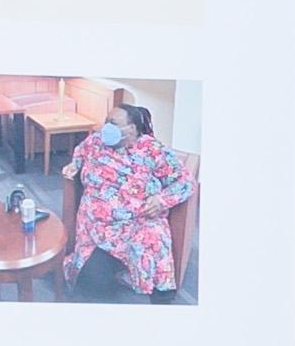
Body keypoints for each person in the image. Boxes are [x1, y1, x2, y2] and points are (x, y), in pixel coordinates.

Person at [64, 92, 200, 302]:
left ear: (133, 129)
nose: (106, 128)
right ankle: (117, 269)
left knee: (160, 291)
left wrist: (162, 200)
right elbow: (80, 151)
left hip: (137, 226)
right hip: (97, 228)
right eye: (106, 121)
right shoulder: (96, 141)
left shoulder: (151, 150)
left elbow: (186, 182)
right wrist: (75, 164)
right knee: (91, 285)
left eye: (113, 123)